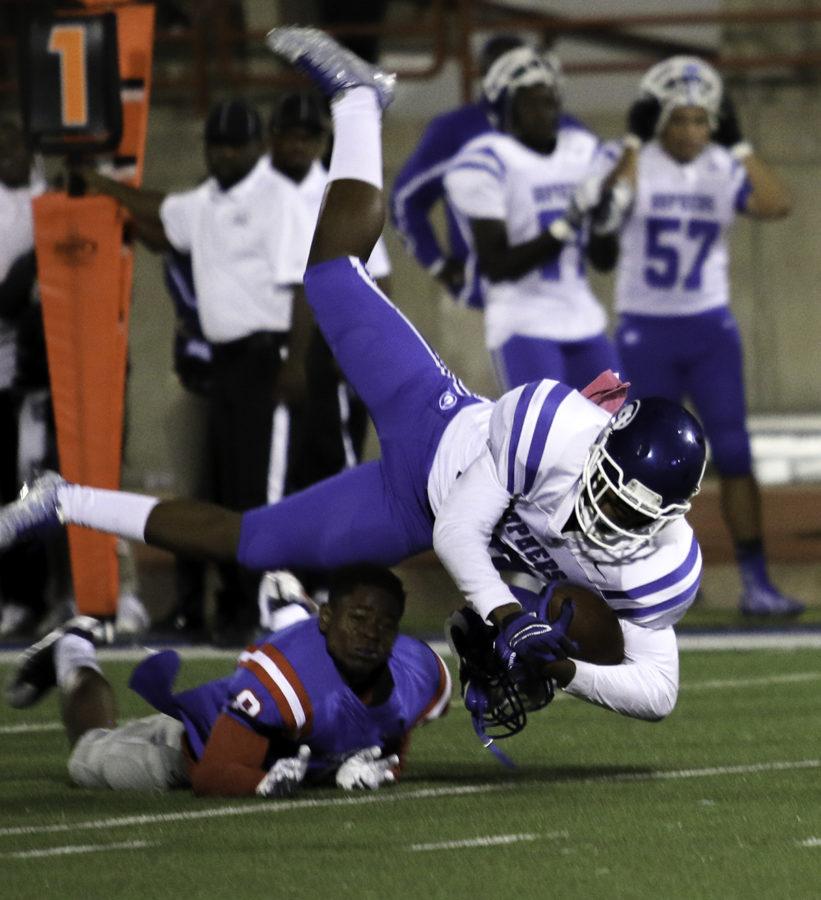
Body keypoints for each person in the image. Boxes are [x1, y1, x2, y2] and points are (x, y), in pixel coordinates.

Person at [0, 28, 708, 728]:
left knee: (249, 541)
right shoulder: (552, 427)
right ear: (602, 449)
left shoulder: (657, 567)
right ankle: (359, 103)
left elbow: (658, 691)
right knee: (332, 278)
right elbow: (463, 533)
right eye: (610, 495)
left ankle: (63, 500)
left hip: (407, 509)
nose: (608, 519)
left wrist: (561, 670)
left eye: (631, 515)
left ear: (668, 516)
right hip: (432, 425)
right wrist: (506, 617)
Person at [76, 98, 314, 643]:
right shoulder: (204, 201)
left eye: (236, 144)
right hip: (225, 365)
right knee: (226, 492)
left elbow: (302, 286)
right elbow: (161, 213)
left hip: (268, 356)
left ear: (258, 146)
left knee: (263, 494)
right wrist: (104, 189)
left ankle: (263, 608)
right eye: (217, 145)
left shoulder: (281, 198)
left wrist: (297, 362)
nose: (226, 154)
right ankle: (231, 609)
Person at [598, 56, 803, 617]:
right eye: (679, 119)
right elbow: (609, 207)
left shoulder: (722, 163)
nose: (691, 131)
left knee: (735, 454)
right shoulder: (633, 162)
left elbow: (778, 202)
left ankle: (756, 581)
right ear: (657, 121)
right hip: (646, 330)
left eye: (700, 119)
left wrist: (738, 145)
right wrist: (635, 141)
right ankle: (633, 581)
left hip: (709, 328)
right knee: (635, 463)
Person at [5, 564, 451, 795]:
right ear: (329, 617)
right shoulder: (285, 684)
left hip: (285, 705)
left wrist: (381, 772)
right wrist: (266, 784)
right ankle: (74, 648)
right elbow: (212, 773)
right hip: (191, 745)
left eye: (384, 624)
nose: (371, 634)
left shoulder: (418, 674)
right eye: (357, 619)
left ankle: (288, 609)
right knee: (85, 756)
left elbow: (394, 736)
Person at [442, 46, 622, 392]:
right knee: (542, 438)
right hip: (522, 321)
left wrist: (604, 220)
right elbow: (497, 264)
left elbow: (604, 260)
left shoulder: (581, 150)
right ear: (505, 109)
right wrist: (567, 225)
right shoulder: (488, 159)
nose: (544, 112)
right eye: (530, 102)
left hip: (583, 317)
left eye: (549, 100)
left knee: (614, 429)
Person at [267, 89, 391, 491]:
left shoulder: (337, 192)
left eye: (308, 136)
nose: (298, 145)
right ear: (273, 137)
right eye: (289, 135)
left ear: (322, 142)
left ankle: (347, 549)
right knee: (285, 461)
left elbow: (380, 274)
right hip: (270, 345)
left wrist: (361, 342)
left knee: (334, 452)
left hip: (327, 343)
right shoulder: (262, 191)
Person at [390, 34, 524, 306]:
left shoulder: (561, 128)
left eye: (520, 68)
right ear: (484, 72)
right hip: (484, 296)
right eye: (500, 69)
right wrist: (437, 262)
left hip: (553, 298)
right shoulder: (456, 130)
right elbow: (406, 199)